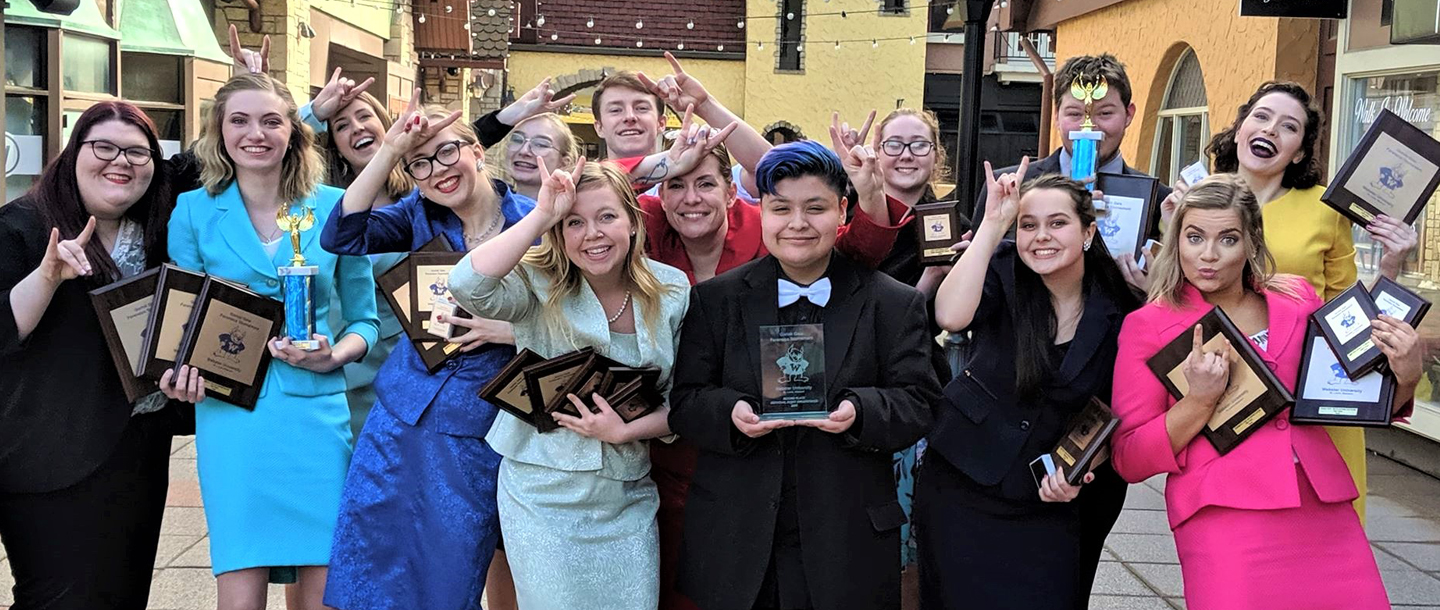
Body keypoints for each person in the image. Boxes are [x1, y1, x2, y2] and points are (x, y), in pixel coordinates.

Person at [1111, 174, 1418, 609]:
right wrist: (1198, 401)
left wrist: (1405, 375)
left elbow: (1355, 392)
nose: (1209, 255)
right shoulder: (1148, 326)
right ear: (1176, 239)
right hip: (1223, 518)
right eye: (1194, 237)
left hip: (1322, 509)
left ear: (1252, 243)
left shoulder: (1297, 297)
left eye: (1228, 239)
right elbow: (1129, 456)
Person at [668, 140, 941, 610]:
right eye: (781, 208)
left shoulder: (893, 303)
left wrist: (858, 410)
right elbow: (685, 403)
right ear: (763, 212)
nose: (796, 224)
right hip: (736, 536)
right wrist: (731, 412)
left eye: (814, 208)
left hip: (846, 537)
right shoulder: (715, 300)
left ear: (842, 211)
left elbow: (920, 403)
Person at [163, 72, 380, 610]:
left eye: (270, 120)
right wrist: (179, 373)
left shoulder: (336, 205)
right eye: (239, 120)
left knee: (325, 589)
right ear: (219, 131)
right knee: (239, 585)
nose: (254, 133)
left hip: (317, 418)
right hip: (234, 417)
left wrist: (335, 356)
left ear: (294, 132)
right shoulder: (193, 210)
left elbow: (365, 322)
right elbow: (183, 326)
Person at [319, 93, 534, 610]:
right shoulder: (417, 215)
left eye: (447, 152)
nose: (437, 170)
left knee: (447, 570)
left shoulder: (532, 219)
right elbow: (339, 234)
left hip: (476, 426)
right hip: (398, 415)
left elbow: (574, 319)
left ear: (477, 150)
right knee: (371, 562)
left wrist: (511, 333)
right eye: (420, 163)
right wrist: (391, 148)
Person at [449, 159, 691, 610]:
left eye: (606, 217)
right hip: (541, 494)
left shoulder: (672, 289)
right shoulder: (537, 281)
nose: (592, 234)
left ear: (633, 223)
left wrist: (623, 431)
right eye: (573, 222)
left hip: (627, 495)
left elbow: (685, 398)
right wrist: (541, 215)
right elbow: (467, 285)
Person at [918, 164, 1142, 609]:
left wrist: (1081, 468)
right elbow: (950, 316)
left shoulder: (1122, 308)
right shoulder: (1002, 269)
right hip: (962, 480)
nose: (1041, 236)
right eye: (1028, 225)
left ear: (1088, 232)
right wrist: (993, 226)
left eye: (1058, 223)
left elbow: (1119, 410)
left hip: (1050, 499)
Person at [0, 102, 190, 610]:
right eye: (103, 147)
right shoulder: (21, 226)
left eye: (136, 151)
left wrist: (301, 110)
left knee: (122, 596)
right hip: (47, 455)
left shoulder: (153, 223)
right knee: (56, 599)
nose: (120, 162)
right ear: (73, 152)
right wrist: (45, 277)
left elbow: (211, 158)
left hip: (136, 449)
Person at [1205, 81, 1419, 523]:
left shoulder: (1324, 210)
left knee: (1322, 536)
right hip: (1225, 387)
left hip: (1309, 389)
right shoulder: (1197, 199)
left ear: (1299, 152)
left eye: (1289, 127)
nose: (1271, 130)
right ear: (1241, 127)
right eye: (1261, 117)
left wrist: (1393, 266)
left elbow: (1350, 307)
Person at [317, 90, 415, 438]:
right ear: (335, 146)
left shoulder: (422, 193)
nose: (356, 128)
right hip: (353, 361)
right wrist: (313, 112)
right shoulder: (326, 205)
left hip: (416, 356)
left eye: (364, 116)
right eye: (341, 126)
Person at [497, 112, 580, 202]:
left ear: (564, 162)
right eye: (517, 139)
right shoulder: (491, 203)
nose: (524, 151)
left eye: (540, 144)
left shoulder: (574, 213)